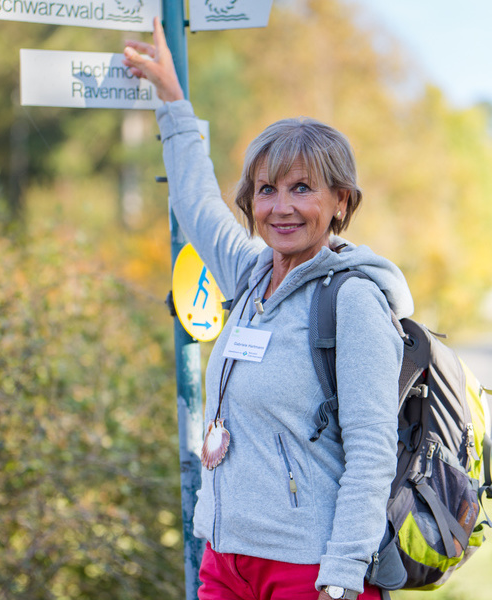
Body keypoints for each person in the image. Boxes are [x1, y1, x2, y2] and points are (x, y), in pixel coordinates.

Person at [124, 17, 414, 600]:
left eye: (303, 189)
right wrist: (173, 101)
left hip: (310, 569)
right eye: (266, 190)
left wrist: (340, 577)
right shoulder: (251, 272)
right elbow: (194, 200)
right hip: (226, 559)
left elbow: (371, 455)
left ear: (340, 202)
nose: (281, 207)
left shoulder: (352, 300)